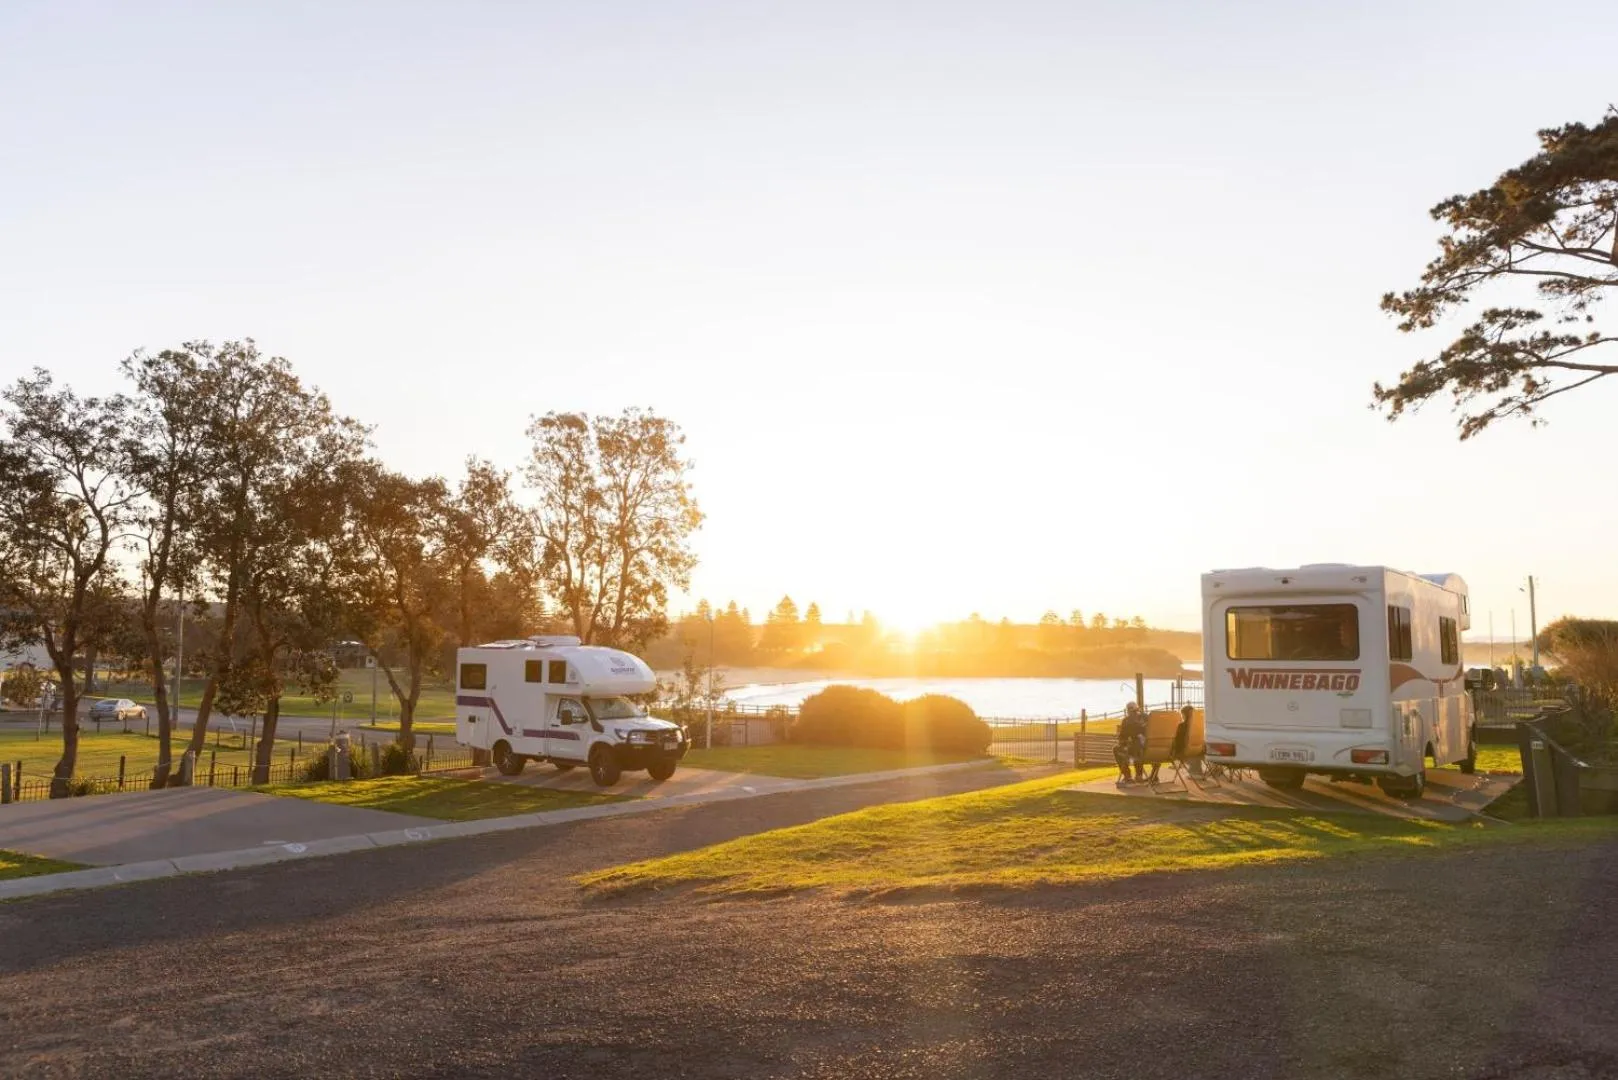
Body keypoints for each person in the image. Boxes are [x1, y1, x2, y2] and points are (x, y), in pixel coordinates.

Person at [1113, 701, 1148, 786]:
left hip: (1138, 750)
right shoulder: (1147, 718)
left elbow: (1122, 737)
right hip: (1154, 750)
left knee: (1117, 749)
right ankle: (1147, 777)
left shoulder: (1127, 720)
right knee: (1136, 747)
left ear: (1128, 711)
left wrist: (1123, 742)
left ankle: (1128, 777)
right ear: (1138, 708)